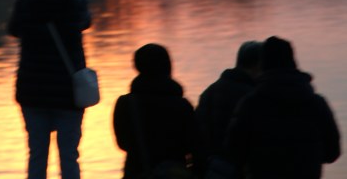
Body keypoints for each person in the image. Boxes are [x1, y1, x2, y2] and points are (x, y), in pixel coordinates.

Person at [8, 0, 92, 179]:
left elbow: (13, 30)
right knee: (69, 156)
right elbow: (86, 23)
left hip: (33, 90)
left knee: (36, 155)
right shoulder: (78, 1)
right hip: (69, 91)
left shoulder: (24, 3)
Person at [225, 35, 341, 179]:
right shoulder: (317, 103)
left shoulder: (250, 105)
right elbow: (332, 152)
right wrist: (308, 157)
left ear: (263, 65)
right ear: (292, 61)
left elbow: (234, 152)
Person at [113, 43, 205, 179]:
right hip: (175, 172)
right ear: (167, 66)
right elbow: (195, 146)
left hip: (136, 171)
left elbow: (122, 143)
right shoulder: (182, 105)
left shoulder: (126, 103)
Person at [196, 40, 262, 170]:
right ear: (257, 65)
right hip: (237, 168)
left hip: (209, 168)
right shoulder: (253, 97)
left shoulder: (208, 92)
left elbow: (197, 132)